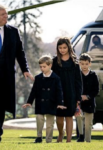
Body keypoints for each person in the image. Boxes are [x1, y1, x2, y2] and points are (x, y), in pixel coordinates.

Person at [0, 5, 34, 142]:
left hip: (6, 76)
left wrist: (25, 69)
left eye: (6, 14)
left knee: (1, 106)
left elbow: (20, 53)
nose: (6, 16)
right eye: (2, 14)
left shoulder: (13, 32)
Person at [22, 55, 66, 143]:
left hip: (51, 103)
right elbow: (33, 91)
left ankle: (48, 140)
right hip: (40, 103)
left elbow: (59, 91)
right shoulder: (38, 78)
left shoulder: (56, 78)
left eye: (44, 66)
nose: (42, 68)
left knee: (50, 124)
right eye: (41, 67)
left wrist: (60, 103)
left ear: (50, 66)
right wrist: (29, 102)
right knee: (39, 119)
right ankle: (39, 137)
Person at [51, 37, 82, 143]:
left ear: (69, 47)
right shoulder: (54, 62)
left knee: (69, 116)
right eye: (60, 48)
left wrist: (78, 97)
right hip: (58, 93)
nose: (62, 50)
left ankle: (68, 140)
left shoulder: (75, 63)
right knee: (59, 118)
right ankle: (61, 133)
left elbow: (78, 81)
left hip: (71, 93)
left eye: (64, 47)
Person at [76, 53, 99, 142]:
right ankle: (81, 136)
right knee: (79, 119)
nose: (84, 66)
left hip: (90, 102)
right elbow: (75, 87)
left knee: (88, 123)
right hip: (79, 102)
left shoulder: (93, 75)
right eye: (82, 64)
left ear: (90, 63)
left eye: (86, 64)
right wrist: (79, 97)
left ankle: (88, 140)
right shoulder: (77, 75)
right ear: (79, 64)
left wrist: (88, 96)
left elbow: (96, 90)